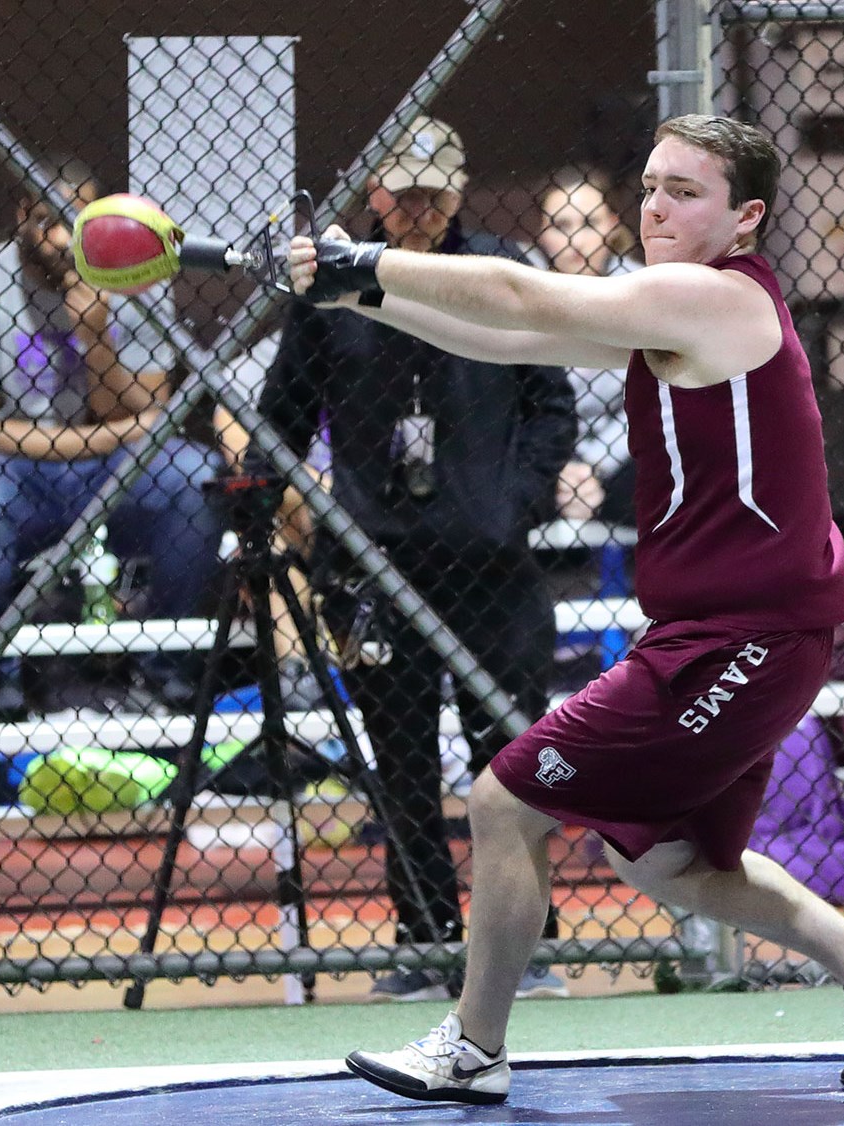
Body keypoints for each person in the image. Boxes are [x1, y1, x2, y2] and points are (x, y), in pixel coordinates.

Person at [286, 113, 844, 1104]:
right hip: (729, 636)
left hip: (743, 638)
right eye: (650, 185)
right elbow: (508, 335)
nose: (656, 206)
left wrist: (360, 257)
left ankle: (472, 1046)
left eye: (686, 190)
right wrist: (356, 296)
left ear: (744, 217)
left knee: (504, 802)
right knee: (666, 860)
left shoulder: (712, 298)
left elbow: (514, 288)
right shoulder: (672, 312)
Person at [261, 116, 576, 1004]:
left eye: (436, 190)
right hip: (376, 557)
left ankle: (525, 943)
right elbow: (279, 418)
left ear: (461, 191)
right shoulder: (329, 286)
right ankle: (426, 939)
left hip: (489, 557)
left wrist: (511, 505)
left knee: (510, 753)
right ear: (374, 194)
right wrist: (312, 518)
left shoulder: (502, 273)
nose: (419, 207)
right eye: (403, 190)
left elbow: (553, 408)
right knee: (398, 758)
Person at [0, 158, 223, 720]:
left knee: (196, 475)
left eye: (75, 222)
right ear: (21, 218)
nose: (61, 239)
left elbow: (147, 411)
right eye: (46, 220)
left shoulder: (136, 277)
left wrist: (96, 337)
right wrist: (95, 438)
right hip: (17, 473)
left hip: (112, 468)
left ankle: (162, 665)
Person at [534, 168, 641, 523]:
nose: (576, 240)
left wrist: (596, 468)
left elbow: (647, 408)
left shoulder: (641, 290)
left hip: (625, 456)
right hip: (543, 453)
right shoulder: (523, 290)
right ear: (541, 233)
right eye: (561, 226)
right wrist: (559, 466)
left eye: (589, 223)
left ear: (611, 225)